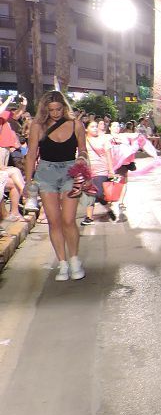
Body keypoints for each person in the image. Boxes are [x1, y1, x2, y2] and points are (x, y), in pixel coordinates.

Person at [24, 90, 90, 281]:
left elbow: (83, 149)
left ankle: (75, 260)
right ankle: (62, 263)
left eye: (58, 109)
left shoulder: (76, 124)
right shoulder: (38, 126)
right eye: (51, 110)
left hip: (71, 172)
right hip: (46, 174)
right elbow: (31, 155)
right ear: (45, 109)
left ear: (64, 107)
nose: (55, 113)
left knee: (68, 219)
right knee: (54, 221)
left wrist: (82, 159)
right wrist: (29, 182)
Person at [0, 95, 26, 168]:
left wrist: (23, 105)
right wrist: (8, 99)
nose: (1, 98)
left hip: (6, 146)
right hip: (1, 147)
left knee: (4, 170)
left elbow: (16, 115)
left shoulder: (4, 112)